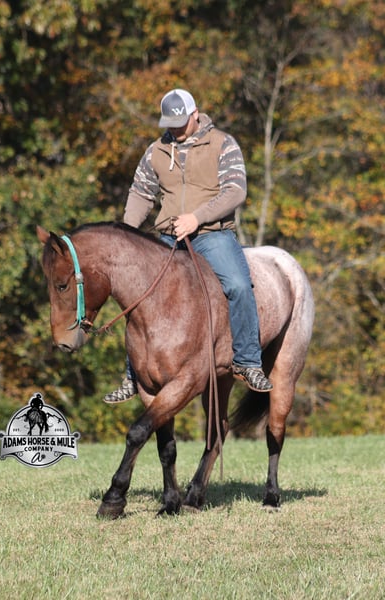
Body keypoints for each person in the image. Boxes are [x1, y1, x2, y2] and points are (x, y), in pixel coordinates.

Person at [104, 88, 272, 403]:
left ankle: (248, 361)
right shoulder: (156, 150)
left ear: (195, 115)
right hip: (169, 236)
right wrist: (126, 232)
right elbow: (141, 192)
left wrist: (197, 218)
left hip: (212, 234)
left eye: (181, 123)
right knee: (140, 293)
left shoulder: (223, 144)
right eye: (170, 124)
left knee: (238, 285)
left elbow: (235, 191)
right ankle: (132, 374)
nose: (176, 129)